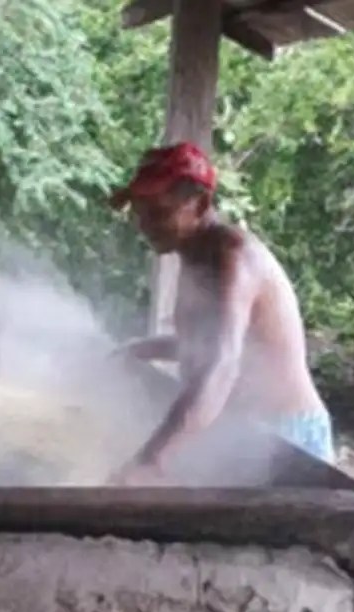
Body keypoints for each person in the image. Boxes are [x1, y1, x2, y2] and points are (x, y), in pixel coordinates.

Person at [106, 142, 332, 486]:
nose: (144, 224)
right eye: (139, 211)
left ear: (199, 204)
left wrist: (151, 461)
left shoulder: (235, 259)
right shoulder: (193, 254)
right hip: (236, 431)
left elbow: (222, 365)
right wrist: (138, 349)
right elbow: (203, 344)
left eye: (158, 211)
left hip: (284, 437)